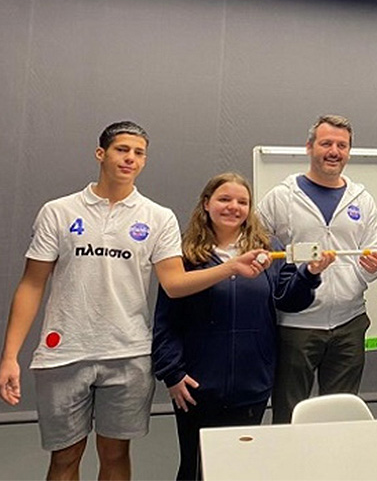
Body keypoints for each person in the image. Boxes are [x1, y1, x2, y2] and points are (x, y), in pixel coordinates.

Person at [0, 122, 263, 480]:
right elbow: (32, 284)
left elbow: (175, 284)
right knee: (64, 458)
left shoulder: (157, 217)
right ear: (101, 154)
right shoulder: (58, 211)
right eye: (122, 150)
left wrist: (230, 267)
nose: (130, 159)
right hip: (64, 355)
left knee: (115, 454)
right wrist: (10, 356)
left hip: (128, 354)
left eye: (139, 153)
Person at [152, 172, 332, 480]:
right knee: (195, 467)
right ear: (206, 203)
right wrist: (172, 373)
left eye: (242, 202)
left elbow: (289, 300)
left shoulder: (269, 249)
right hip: (196, 386)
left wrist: (309, 274)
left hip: (251, 384)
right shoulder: (185, 254)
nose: (233, 207)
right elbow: (166, 319)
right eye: (224, 199)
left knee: (238, 468)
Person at [257, 114, 377, 424]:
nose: (334, 151)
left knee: (340, 417)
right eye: (326, 143)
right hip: (296, 326)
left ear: (349, 151)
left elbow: (375, 252)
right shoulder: (282, 197)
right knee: (289, 415)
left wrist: (371, 269)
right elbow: (255, 246)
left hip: (350, 322)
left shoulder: (362, 200)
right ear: (309, 147)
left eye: (342, 145)